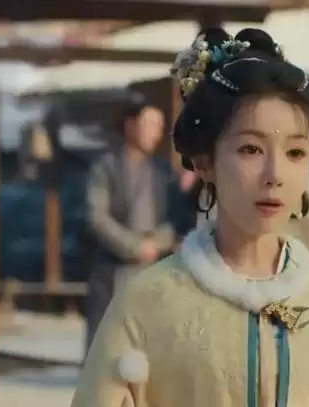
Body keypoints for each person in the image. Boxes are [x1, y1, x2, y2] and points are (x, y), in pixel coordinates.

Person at [71, 27, 309, 407]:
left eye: (295, 153)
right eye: (250, 149)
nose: (275, 175)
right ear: (205, 162)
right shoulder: (146, 304)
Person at [84, 93, 194, 353]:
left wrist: (157, 243)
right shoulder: (106, 167)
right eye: (150, 124)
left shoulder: (163, 171)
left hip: (154, 266)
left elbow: (177, 218)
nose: (156, 133)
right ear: (130, 125)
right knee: (108, 347)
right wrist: (134, 247)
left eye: (159, 127)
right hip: (114, 267)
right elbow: (97, 217)